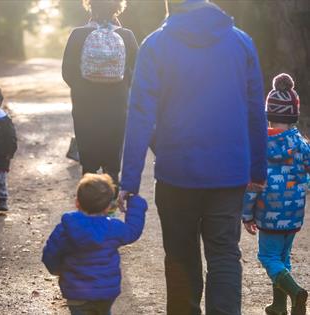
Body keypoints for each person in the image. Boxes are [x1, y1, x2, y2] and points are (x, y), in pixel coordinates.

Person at [119, 0, 268, 314]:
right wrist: (258, 170)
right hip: (229, 174)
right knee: (224, 253)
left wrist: (129, 181)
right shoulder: (241, 42)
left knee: (180, 255)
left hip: (177, 173)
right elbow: (255, 111)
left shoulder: (155, 45)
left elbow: (140, 114)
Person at [243, 73, 308, 315]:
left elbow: (253, 185)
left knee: (267, 256)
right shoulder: (301, 144)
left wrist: (247, 215)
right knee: (283, 256)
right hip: (294, 215)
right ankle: (279, 305)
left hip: (269, 215)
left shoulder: (259, 146)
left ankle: (295, 291)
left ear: (268, 114)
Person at [42, 173, 147, 315]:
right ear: (108, 207)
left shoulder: (67, 227)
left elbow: (51, 254)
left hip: (76, 292)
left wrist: (57, 270)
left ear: (77, 202)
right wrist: (135, 202)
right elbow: (132, 231)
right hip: (106, 292)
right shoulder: (113, 228)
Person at [62, 0, 138, 189]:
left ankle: (89, 207)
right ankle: (109, 209)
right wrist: (121, 87)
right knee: (112, 162)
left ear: (90, 6)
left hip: (85, 104)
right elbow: (137, 72)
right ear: (117, 9)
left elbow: (67, 72)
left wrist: (82, 87)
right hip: (116, 105)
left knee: (88, 162)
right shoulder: (126, 36)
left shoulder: (78, 35)